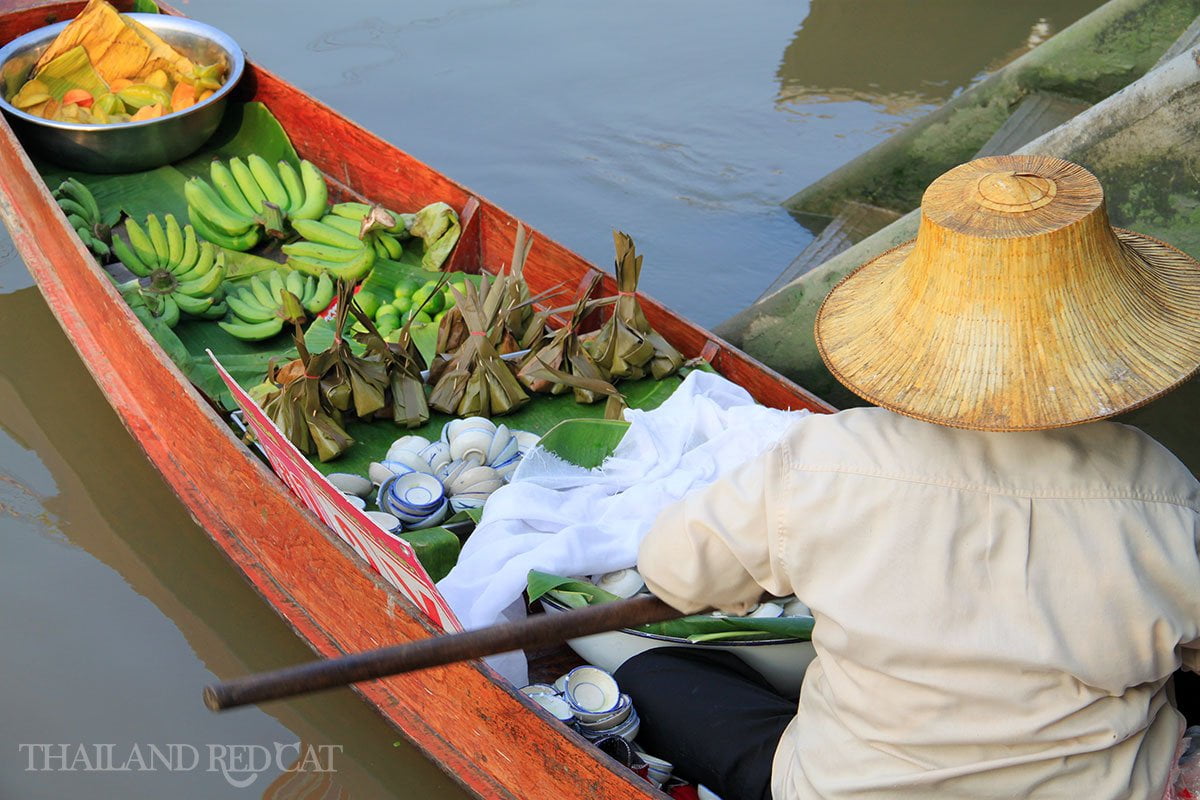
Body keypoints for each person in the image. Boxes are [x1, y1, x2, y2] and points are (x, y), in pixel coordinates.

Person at [616, 155, 1200, 800]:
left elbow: (674, 573)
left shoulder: (826, 460)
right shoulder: (1166, 494)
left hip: (853, 788)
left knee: (654, 674)